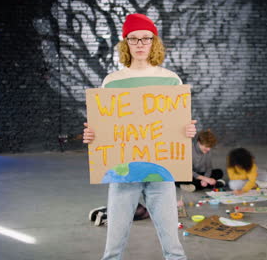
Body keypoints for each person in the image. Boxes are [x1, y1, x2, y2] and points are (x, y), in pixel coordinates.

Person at [83, 13, 196, 260]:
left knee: (172, 242)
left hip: (162, 169)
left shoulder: (170, 79)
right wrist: (93, 134)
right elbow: (104, 127)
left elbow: (177, 125)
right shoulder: (112, 81)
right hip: (124, 171)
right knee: (114, 242)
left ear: (154, 42)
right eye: (133, 39)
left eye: (146, 38)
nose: (140, 44)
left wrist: (187, 131)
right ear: (126, 44)